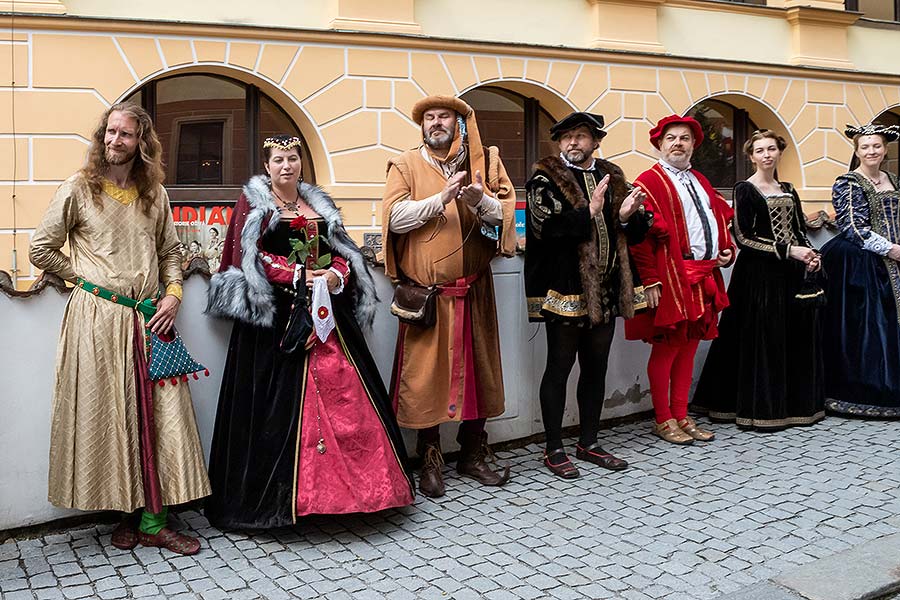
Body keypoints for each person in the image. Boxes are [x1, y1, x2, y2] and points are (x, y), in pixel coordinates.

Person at [205, 134, 414, 528]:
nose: (287, 166)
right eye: (279, 160)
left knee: (351, 392)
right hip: (277, 320)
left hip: (327, 314)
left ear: (302, 164)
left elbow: (342, 251)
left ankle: (358, 493)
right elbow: (250, 256)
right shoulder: (253, 203)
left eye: (293, 159)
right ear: (267, 166)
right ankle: (290, 503)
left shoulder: (319, 203)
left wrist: (335, 274)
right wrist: (299, 274)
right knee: (272, 413)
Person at [30, 103, 210, 555]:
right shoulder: (78, 188)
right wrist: (86, 280)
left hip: (151, 318)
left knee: (159, 418)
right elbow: (40, 248)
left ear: (141, 143)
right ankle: (124, 514)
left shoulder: (156, 196)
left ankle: (155, 521)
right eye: (109, 132)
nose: (114, 141)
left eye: (125, 135)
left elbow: (171, 252)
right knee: (111, 418)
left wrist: (173, 295)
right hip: (96, 322)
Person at [381, 95, 516, 498]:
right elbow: (394, 218)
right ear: (422, 126)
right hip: (428, 296)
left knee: (480, 373)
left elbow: (506, 214)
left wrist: (478, 198)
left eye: (444, 117)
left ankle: (473, 454)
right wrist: (440, 198)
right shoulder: (405, 164)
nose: (436, 123)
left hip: (474, 291)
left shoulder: (485, 163)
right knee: (425, 379)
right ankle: (430, 459)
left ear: (459, 124)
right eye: (430, 118)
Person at [524, 112, 651, 478]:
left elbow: (639, 231)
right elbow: (543, 227)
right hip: (566, 288)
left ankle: (589, 442)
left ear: (595, 141)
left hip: (608, 289)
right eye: (567, 137)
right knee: (559, 368)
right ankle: (553, 448)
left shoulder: (613, 176)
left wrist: (627, 216)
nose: (573, 143)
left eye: (581, 136)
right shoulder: (544, 178)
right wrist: (589, 212)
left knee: (596, 368)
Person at [693, 129, 825, 429]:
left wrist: (811, 253)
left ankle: (793, 407)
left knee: (791, 337)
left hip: (791, 274)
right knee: (761, 339)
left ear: (779, 152)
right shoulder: (745, 189)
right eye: (760, 151)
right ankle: (759, 409)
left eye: (771, 149)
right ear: (751, 157)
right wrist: (790, 251)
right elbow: (743, 238)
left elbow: (799, 228)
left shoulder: (789, 189)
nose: (766, 155)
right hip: (759, 276)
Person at [626, 114, 735, 444]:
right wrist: (650, 281)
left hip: (703, 274)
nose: (678, 143)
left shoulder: (700, 181)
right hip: (671, 277)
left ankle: (682, 414)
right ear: (660, 144)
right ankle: (663, 419)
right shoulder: (648, 181)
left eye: (684, 138)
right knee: (667, 349)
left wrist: (726, 249)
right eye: (671, 138)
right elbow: (640, 238)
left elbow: (718, 219)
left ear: (693, 145)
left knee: (688, 348)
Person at [819, 124, 900, 417]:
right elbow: (853, 227)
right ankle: (869, 390)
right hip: (861, 260)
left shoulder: (894, 180)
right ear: (857, 151)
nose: (871, 151)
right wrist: (890, 249)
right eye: (865, 147)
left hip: (895, 256)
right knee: (870, 325)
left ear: (885, 149)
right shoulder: (849, 182)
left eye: (876, 146)